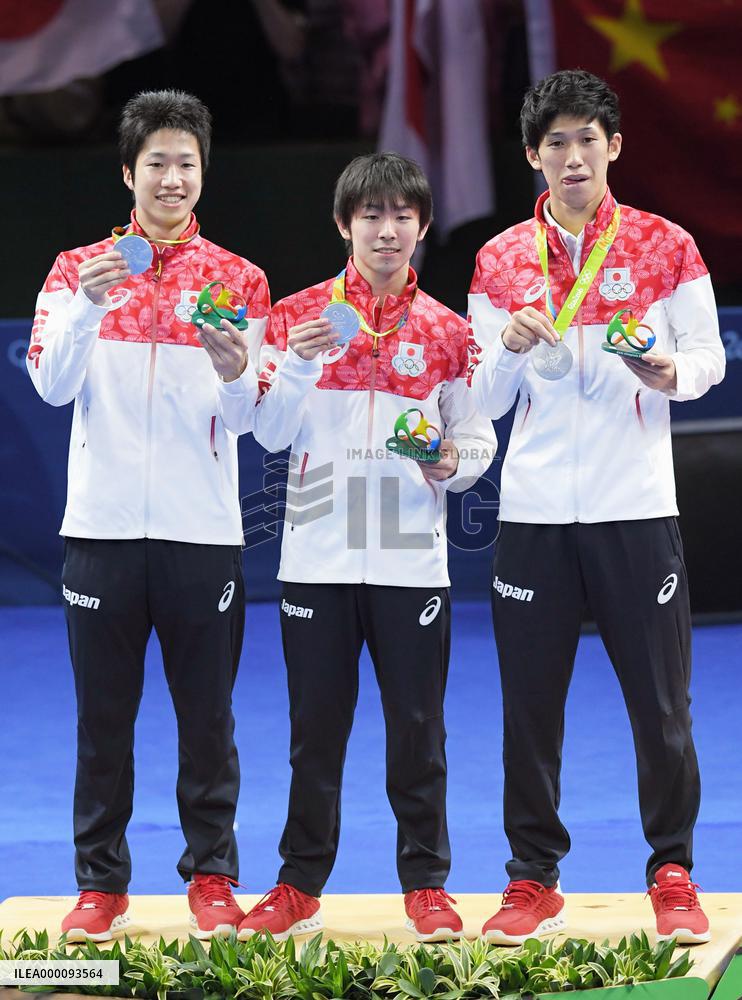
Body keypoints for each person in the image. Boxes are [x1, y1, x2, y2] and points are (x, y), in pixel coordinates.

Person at [467, 69, 725, 946]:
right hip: (534, 516)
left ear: (613, 146)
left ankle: (672, 870)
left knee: (661, 704)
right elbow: (482, 399)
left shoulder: (666, 246)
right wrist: (506, 346)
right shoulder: (501, 259)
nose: (573, 157)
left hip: (636, 508)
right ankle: (532, 877)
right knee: (530, 707)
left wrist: (669, 372)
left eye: (587, 139)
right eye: (556, 143)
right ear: (533, 156)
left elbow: (709, 358)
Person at [27, 90, 270, 942]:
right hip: (100, 533)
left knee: (209, 719)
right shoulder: (75, 271)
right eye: (157, 162)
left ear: (204, 173)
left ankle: (213, 875)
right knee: (103, 720)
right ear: (128, 172)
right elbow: (51, 387)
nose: (173, 178)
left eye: (186, 163)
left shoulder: (239, 281)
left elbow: (252, 419)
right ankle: (101, 884)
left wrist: (235, 369)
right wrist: (90, 307)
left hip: (202, 535)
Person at [241, 152, 496, 942]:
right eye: (371, 215)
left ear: (423, 227)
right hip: (315, 560)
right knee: (314, 733)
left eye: (402, 217)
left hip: (410, 562)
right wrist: (300, 364)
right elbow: (268, 433)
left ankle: (427, 884)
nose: (387, 231)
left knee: (419, 731)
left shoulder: (450, 332)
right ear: (343, 224)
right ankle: (297, 885)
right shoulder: (296, 318)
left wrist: (452, 462)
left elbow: (476, 439)